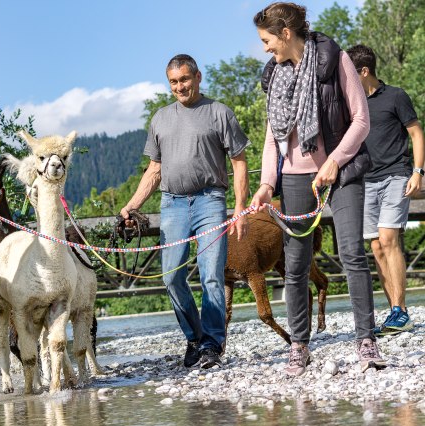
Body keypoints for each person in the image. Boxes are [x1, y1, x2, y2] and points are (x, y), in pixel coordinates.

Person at [251, 2, 386, 376]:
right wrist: (266, 184)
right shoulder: (275, 75)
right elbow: (271, 140)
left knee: (351, 254)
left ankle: (366, 339)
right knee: (295, 266)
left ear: (286, 34)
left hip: (341, 173)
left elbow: (361, 120)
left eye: (267, 40)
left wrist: (335, 161)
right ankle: (299, 346)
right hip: (294, 178)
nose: (265, 48)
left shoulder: (335, 60)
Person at [120, 54, 250, 369]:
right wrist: (132, 205)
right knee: (171, 277)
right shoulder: (160, 118)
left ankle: (212, 346)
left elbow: (239, 162)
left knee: (211, 276)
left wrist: (241, 208)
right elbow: (154, 170)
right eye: (174, 82)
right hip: (172, 204)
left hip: (210, 200)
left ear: (198, 77)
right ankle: (194, 337)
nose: (180, 87)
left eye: (185, 80)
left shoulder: (219, 113)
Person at [347, 45, 425, 336]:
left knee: (388, 238)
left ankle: (401, 311)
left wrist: (418, 172)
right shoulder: (352, 105)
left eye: (350, 74)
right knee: (376, 246)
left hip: (396, 175)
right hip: (366, 180)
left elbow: (416, 133)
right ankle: (394, 309)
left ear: (364, 71)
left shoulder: (395, 96)